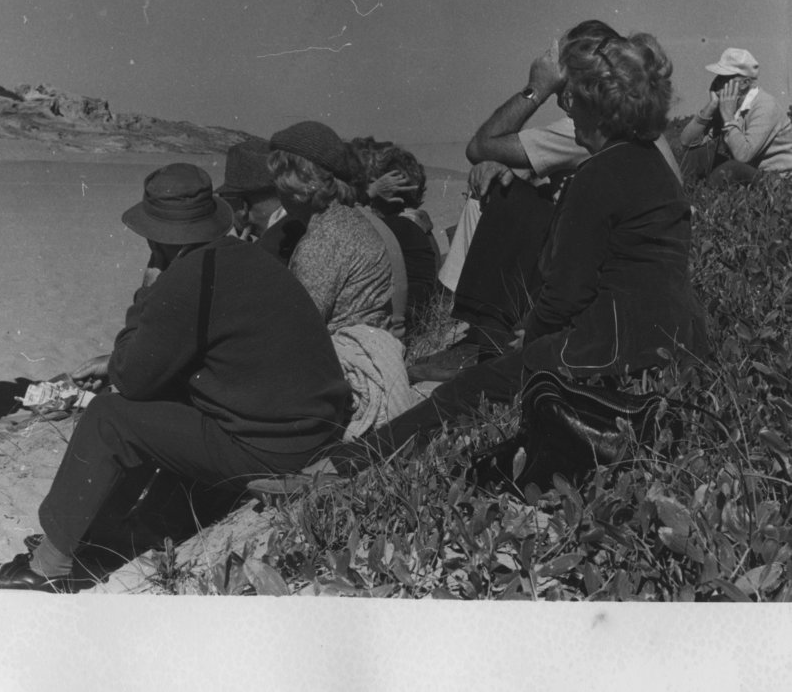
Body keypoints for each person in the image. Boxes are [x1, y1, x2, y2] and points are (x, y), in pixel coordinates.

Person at [331, 31, 709, 474]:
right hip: (680, 339)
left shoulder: (598, 174)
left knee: (471, 387)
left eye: (571, 99)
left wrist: (530, 342)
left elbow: (565, 295)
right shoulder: (649, 163)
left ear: (597, 107)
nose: (565, 108)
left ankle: (349, 464)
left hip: (616, 346)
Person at [0, 163, 349, 591]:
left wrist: (148, 291)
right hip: (310, 431)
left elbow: (133, 382)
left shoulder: (186, 278)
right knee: (149, 410)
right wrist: (115, 362)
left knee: (111, 416)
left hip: (273, 451)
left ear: (157, 235)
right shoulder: (241, 257)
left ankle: (48, 566)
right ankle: (94, 532)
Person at [425, 21, 682, 371]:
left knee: (499, 197)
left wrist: (537, 88)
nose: (566, 99)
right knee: (512, 187)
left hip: (602, 301)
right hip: (634, 285)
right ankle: (476, 333)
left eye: (567, 76)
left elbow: (480, 146)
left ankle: (480, 339)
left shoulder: (596, 132)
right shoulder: (634, 135)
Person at [268, 121, 394, 334]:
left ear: (306, 181)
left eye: (279, 175)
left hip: (339, 359)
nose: (275, 185)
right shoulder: (345, 220)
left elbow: (297, 328)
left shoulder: (323, 240)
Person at [347, 137, 441, 330]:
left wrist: (368, 192)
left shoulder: (391, 229)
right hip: (415, 323)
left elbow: (338, 224)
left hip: (399, 329)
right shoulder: (418, 223)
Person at [678, 48, 792, 186]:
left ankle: (707, 199)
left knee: (731, 168)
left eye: (723, 78)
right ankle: (680, 196)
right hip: (751, 171)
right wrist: (711, 106)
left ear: (744, 83)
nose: (716, 82)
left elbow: (743, 155)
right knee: (695, 156)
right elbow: (687, 142)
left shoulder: (765, 106)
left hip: (776, 179)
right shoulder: (731, 104)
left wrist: (728, 116)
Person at [217, 136, 305, 264]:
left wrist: (237, 258)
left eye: (228, 202)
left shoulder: (270, 251)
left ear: (243, 208)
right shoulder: (306, 222)